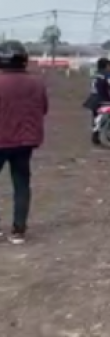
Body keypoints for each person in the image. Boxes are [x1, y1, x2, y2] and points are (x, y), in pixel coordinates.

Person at [0, 40, 48, 244]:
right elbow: (43, 108)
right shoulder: (36, 83)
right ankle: (18, 229)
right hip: (25, 141)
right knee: (21, 184)